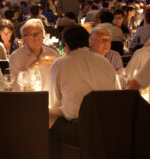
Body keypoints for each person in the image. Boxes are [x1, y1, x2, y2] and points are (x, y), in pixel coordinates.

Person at [46, 25, 118, 157]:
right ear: (87, 42)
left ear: (66, 45)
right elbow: (115, 93)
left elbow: (52, 101)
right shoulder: (104, 62)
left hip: (79, 130)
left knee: (45, 122)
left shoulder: (61, 63)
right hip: (107, 127)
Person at [9, 19, 60, 90]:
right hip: (27, 98)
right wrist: (33, 66)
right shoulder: (16, 57)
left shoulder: (52, 54)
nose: (36, 37)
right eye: (31, 35)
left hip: (50, 99)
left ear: (43, 35)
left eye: (38, 33)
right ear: (23, 39)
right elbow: (15, 87)